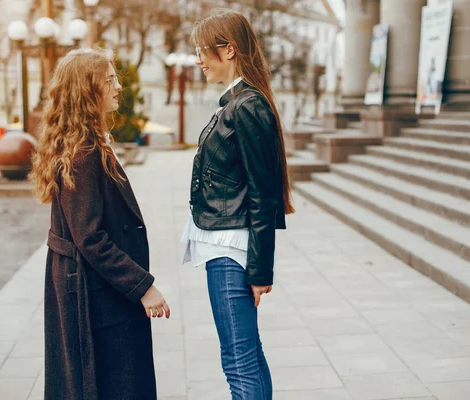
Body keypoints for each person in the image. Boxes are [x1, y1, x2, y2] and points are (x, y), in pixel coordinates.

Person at [29, 49, 170, 400]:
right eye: (110, 80)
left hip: (92, 287)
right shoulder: (83, 151)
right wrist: (142, 286)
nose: (118, 86)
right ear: (88, 90)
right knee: (110, 384)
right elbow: (89, 237)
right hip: (95, 293)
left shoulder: (83, 142)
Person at [181, 9, 294, 400]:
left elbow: (264, 194)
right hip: (224, 246)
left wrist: (261, 271)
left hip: (233, 251)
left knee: (238, 361)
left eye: (203, 52)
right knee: (245, 356)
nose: (198, 60)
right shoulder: (235, 102)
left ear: (228, 51)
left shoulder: (247, 106)